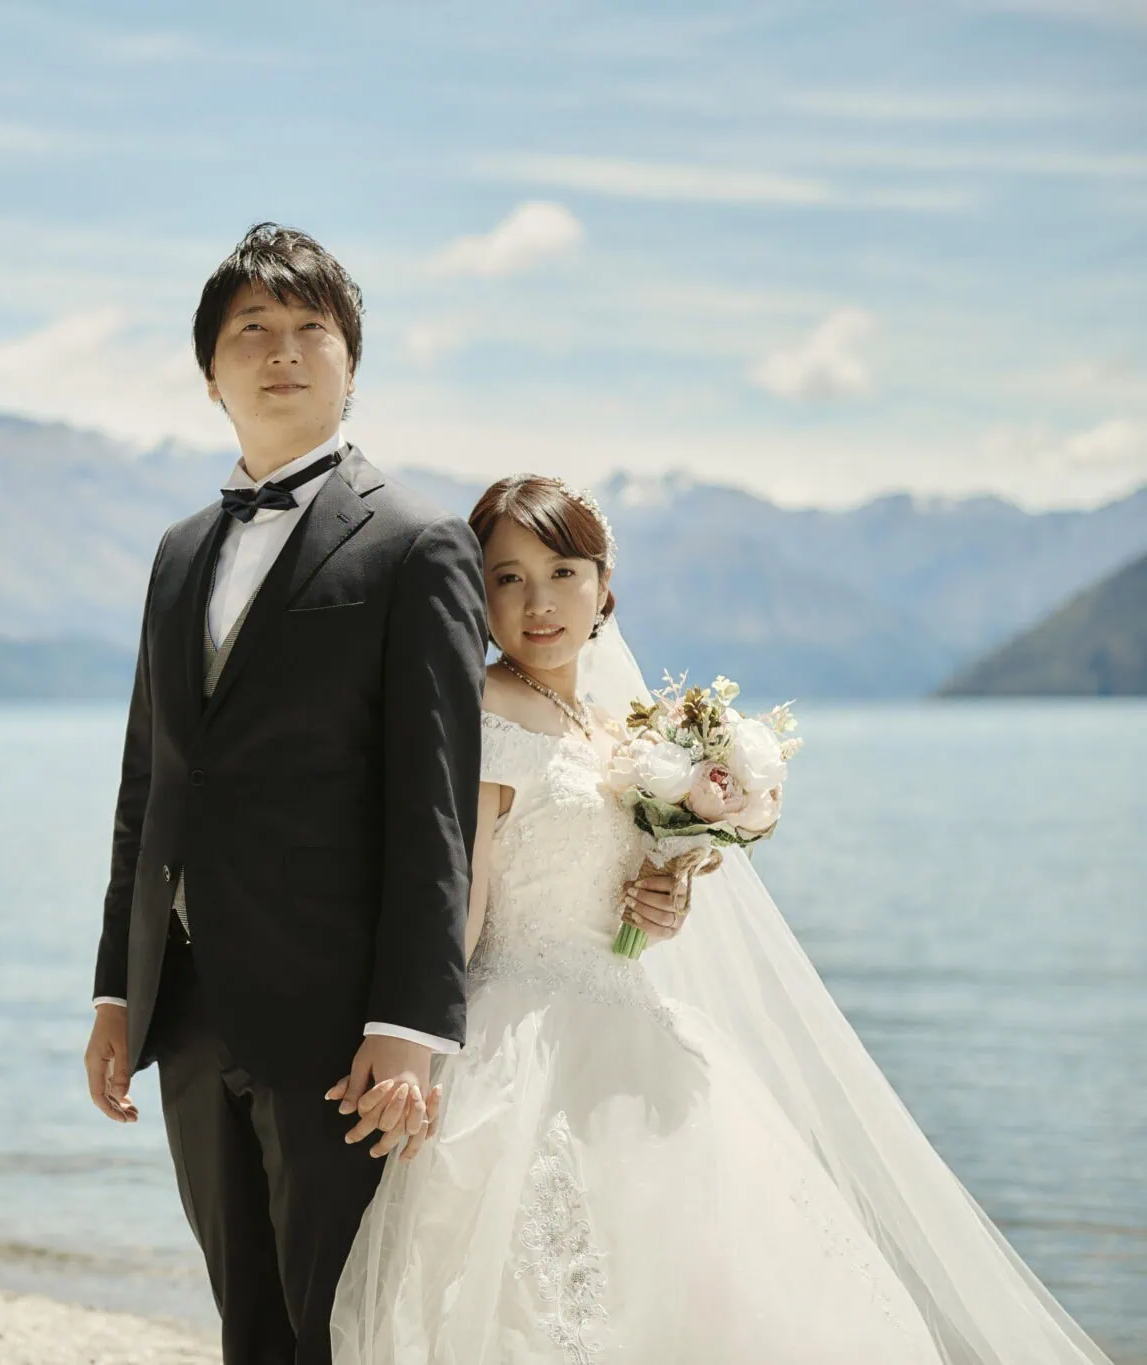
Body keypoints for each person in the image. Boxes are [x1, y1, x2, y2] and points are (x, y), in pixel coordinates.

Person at [330, 475, 1114, 1364]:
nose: (538, 601)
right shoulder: (484, 711)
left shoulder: (625, 728)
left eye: (563, 570)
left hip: (627, 1016)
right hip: (519, 1030)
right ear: (478, 595)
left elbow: (616, 890)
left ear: (604, 586)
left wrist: (659, 905)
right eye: (506, 579)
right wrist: (418, 1048)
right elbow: (460, 897)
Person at [81, 221, 527, 1365]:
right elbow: (149, 781)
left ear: (348, 362)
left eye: (307, 332)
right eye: (251, 332)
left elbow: (433, 807)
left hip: (340, 1023)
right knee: (248, 1323)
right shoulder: (180, 551)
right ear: (209, 371)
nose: (281, 352)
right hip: (184, 1003)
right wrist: (115, 992)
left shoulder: (417, 546)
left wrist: (411, 1025)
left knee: (338, 1319)